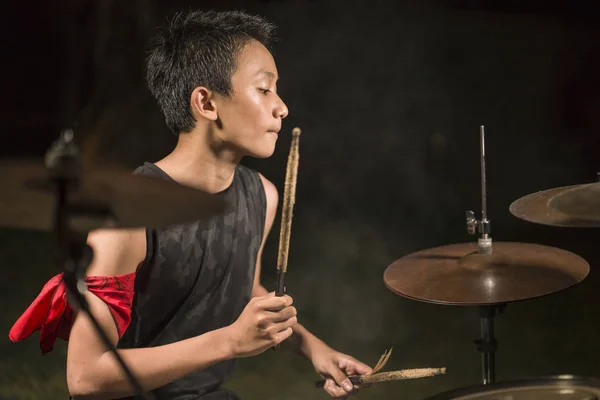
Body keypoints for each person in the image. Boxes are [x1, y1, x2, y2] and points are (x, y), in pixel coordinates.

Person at [9, 9, 372, 400]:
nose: (281, 107)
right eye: (264, 89)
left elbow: (242, 286)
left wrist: (315, 348)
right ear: (206, 103)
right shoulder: (129, 218)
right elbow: (85, 379)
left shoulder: (263, 196)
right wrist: (230, 341)